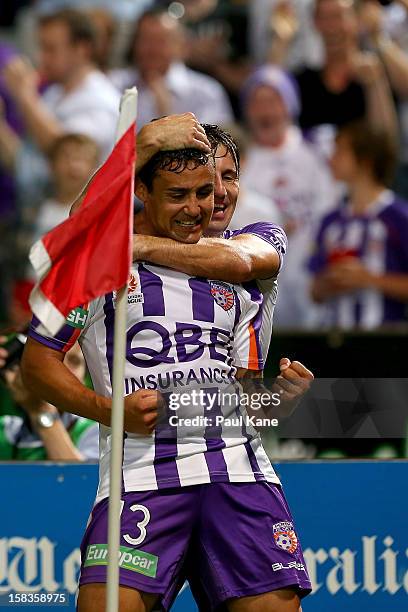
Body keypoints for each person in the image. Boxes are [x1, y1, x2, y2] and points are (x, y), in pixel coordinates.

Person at [22, 133, 313, 610]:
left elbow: (242, 400)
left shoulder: (244, 262)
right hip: (140, 478)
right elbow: (37, 364)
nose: (203, 203)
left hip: (238, 477)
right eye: (181, 194)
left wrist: (277, 401)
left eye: (212, 188)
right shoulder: (95, 265)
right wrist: (110, 410)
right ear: (142, 192)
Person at [229, 66, 336, 328]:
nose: (265, 110)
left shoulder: (319, 149)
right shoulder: (237, 162)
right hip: (259, 287)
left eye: (273, 100)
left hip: (314, 278)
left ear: (290, 105)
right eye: (257, 101)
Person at [309, 120, 408, 329]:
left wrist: (369, 279)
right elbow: (314, 292)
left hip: (388, 344)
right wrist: (330, 282)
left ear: (366, 160)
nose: (332, 159)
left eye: (341, 151)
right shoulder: (330, 221)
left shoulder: (399, 217)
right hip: (335, 341)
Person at [2, 8, 120, 160]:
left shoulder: (102, 101)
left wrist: (25, 95)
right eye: (42, 48)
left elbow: (67, 157)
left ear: (81, 50)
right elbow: (28, 169)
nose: (41, 57)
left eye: (50, 49)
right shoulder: (55, 92)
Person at [109, 7, 233, 128]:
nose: (152, 49)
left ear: (180, 45)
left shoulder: (206, 93)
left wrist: (167, 117)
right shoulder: (114, 84)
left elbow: (215, 145)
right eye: (145, 40)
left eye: (161, 41)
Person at [293, 0, 397, 144]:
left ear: (357, 20)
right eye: (324, 17)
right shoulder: (303, 82)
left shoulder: (375, 73)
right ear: (315, 23)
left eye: (339, 16)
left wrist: (375, 86)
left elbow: (386, 143)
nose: (332, 27)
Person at [0, 341, 98, 461]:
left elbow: (74, 477)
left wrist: (40, 410)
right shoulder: (5, 431)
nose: (62, 369)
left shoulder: (99, 433)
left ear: (85, 379)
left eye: (74, 361)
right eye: (51, 359)